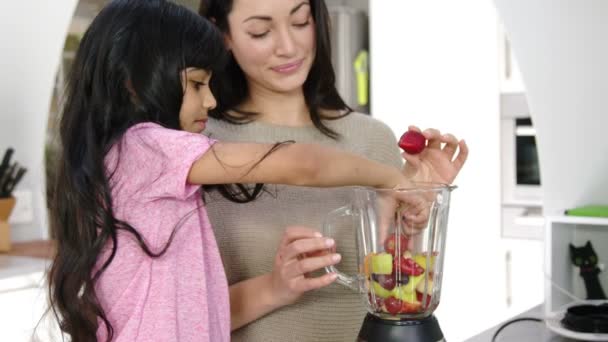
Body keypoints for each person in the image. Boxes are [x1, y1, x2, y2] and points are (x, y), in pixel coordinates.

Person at [46, 1, 419, 342]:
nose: (209, 100)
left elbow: (200, 312)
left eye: (301, 21)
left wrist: (413, 193)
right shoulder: (148, 147)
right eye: (195, 84)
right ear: (132, 83)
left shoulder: (145, 163)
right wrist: (389, 176)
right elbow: (303, 164)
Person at [197, 0, 469, 340]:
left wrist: (416, 204)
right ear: (221, 33)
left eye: (300, 22)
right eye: (261, 31)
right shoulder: (202, 149)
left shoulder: (372, 139)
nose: (289, 47)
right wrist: (273, 288)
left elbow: (393, 285)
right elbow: (174, 316)